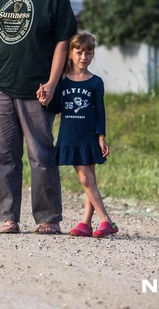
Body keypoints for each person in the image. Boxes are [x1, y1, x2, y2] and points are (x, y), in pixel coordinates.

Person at [0, 0, 77, 235]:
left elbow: (63, 42)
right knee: (2, 154)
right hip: (1, 84)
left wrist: (52, 81)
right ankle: (8, 217)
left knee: (41, 154)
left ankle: (48, 218)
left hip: (37, 88)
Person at [39, 30, 119, 238]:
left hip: (89, 136)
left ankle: (101, 221)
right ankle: (91, 222)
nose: (84, 58)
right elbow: (55, 106)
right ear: (70, 53)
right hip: (70, 136)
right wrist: (44, 99)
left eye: (88, 53)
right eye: (79, 52)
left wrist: (101, 137)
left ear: (93, 55)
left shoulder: (96, 82)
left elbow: (100, 111)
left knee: (88, 179)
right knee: (88, 180)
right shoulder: (62, 80)